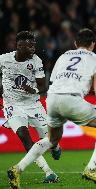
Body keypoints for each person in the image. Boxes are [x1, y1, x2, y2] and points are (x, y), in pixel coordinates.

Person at [7, 28, 96, 188]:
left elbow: (54, 80)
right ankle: (91, 168)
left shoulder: (63, 56)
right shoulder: (95, 59)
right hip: (72, 99)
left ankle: (18, 168)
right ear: (93, 44)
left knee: (52, 139)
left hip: (52, 99)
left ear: (75, 43)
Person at [0, 31, 59, 184]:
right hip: (12, 105)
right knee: (24, 137)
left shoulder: (36, 61)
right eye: (30, 45)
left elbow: (42, 86)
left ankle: (55, 147)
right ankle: (48, 172)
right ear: (19, 46)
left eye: (34, 44)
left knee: (51, 140)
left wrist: (32, 90)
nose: (33, 47)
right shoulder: (4, 59)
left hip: (33, 104)